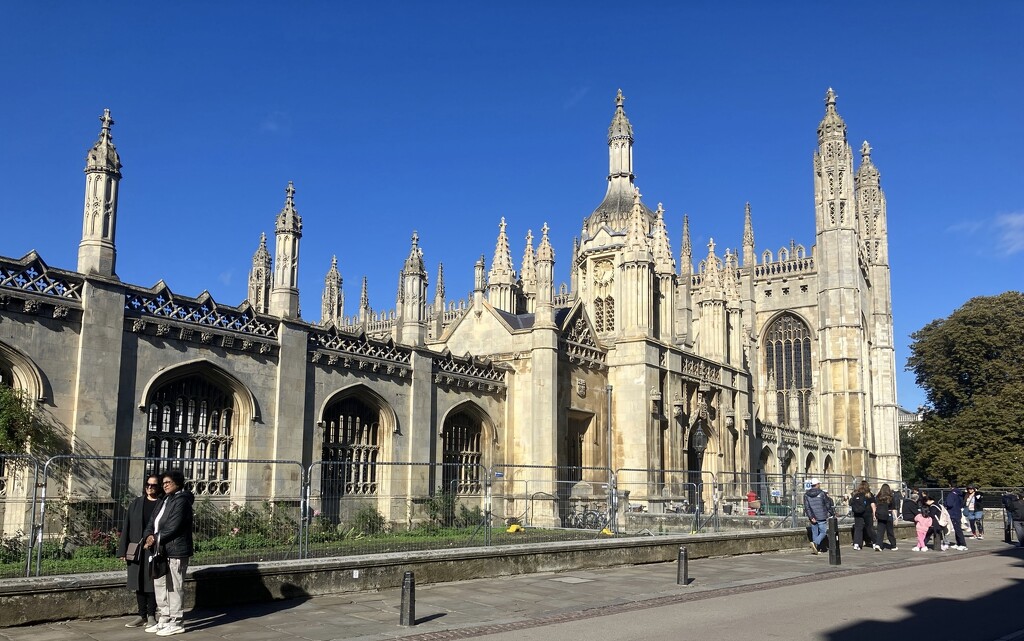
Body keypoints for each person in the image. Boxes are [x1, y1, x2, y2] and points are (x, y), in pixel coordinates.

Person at [142, 469, 195, 636]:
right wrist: (149, 535)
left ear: (177, 483)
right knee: (160, 584)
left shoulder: (182, 500)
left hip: (176, 550)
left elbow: (174, 526)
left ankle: (176, 621)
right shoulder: (164, 499)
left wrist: (155, 538)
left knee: (174, 586)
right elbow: (153, 521)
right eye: (163, 483)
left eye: (168, 482)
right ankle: (164, 617)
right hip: (160, 549)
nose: (164, 485)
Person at [116, 474, 164, 627]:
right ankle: (141, 615)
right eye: (148, 485)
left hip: (154, 549)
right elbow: (127, 527)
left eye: (154, 485)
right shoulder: (136, 503)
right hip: (137, 549)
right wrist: (122, 551)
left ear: (159, 487)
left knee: (151, 582)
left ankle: (151, 615)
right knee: (138, 582)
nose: (150, 488)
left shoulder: (163, 504)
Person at [803, 478, 833, 554]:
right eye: (819, 484)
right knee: (823, 532)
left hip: (813, 517)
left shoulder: (806, 494)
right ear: (817, 484)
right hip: (821, 515)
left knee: (815, 533)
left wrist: (811, 517)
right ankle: (815, 543)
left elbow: (807, 507)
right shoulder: (822, 493)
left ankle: (817, 549)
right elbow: (827, 504)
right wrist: (831, 513)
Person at [850, 480, 881, 551]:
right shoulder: (869, 494)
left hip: (857, 513)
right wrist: (874, 514)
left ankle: (856, 544)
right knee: (869, 528)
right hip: (867, 513)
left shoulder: (856, 494)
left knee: (858, 528)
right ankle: (875, 542)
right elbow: (873, 505)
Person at [873, 483, 898, 550]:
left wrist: (874, 515)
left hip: (880, 515)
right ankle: (893, 545)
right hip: (888, 515)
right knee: (890, 531)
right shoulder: (890, 497)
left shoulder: (878, 497)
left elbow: (875, 506)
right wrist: (896, 518)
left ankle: (878, 544)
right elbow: (893, 509)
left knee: (880, 531)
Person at [943, 483, 968, 550]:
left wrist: (945, 503)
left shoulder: (951, 494)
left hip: (953, 513)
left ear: (950, 486)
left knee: (958, 529)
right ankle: (958, 543)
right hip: (958, 512)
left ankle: (963, 544)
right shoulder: (959, 494)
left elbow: (949, 504)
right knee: (957, 528)